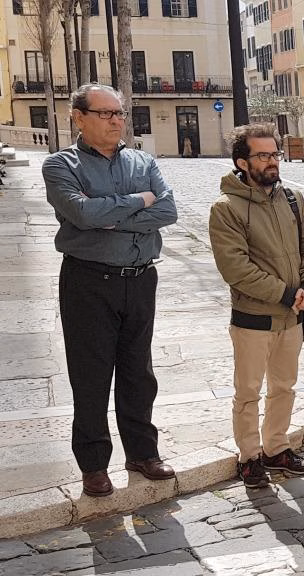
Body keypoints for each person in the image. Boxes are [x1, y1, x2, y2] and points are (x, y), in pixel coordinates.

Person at [42, 84, 178, 497]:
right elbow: (81, 214)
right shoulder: (60, 165)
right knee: (91, 376)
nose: (116, 121)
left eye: (119, 113)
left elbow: (168, 211)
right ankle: (94, 464)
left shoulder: (142, 161)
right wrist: (139, 202)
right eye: (105, 114)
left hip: (140, 279)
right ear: (78, 117)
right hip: (88, 282)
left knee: (139, 373)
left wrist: (109, 215)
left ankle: (142, 452)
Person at [209, 124, 304, 488]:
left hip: (291, 317)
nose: (272, 161)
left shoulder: (293, 200)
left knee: (284, 387)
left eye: (274, 153)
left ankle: (277, 448)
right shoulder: (225, 209)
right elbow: (236, 269)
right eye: (262, 155)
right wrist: (287, 293)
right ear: (242, 161)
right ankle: (249, 456)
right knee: (247, 392)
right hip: (253, 319)